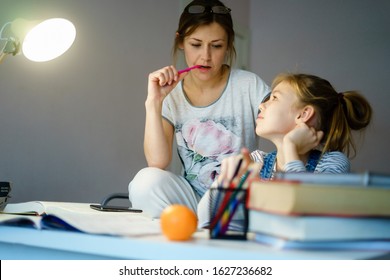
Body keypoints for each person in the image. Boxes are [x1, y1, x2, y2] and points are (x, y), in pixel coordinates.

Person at [128, 0, 270, 219]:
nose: (205, 56)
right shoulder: (171, 94)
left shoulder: (249, 85)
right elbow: (157, 162)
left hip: (235, 197)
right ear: (181, 42)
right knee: (144, 182)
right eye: (196, 44)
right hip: (191, 200)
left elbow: (284, 122)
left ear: (229, 44)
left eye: (216, 45)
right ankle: (187, 228)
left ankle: (207, 227)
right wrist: (153, 102)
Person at [197, 72, 372, 229]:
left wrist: (290, 148)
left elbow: (305, 214)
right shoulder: (257, 162)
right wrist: (225, 183)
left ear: (303, 115)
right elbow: (208, 221)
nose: (261, 106)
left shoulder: (332, 162)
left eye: (274, 98)